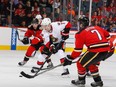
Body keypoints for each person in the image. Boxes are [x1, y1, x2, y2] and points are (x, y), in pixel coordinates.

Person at [63, 17, 114, 87]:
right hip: (106, 50)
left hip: (95, 50)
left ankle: (81, 80)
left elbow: (78, 50)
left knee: (80, 63)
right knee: (91, 64)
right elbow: (108, 36)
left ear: (81, 24)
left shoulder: (80, 34)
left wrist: (70, 58)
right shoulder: (96, 27)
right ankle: (98, 81)